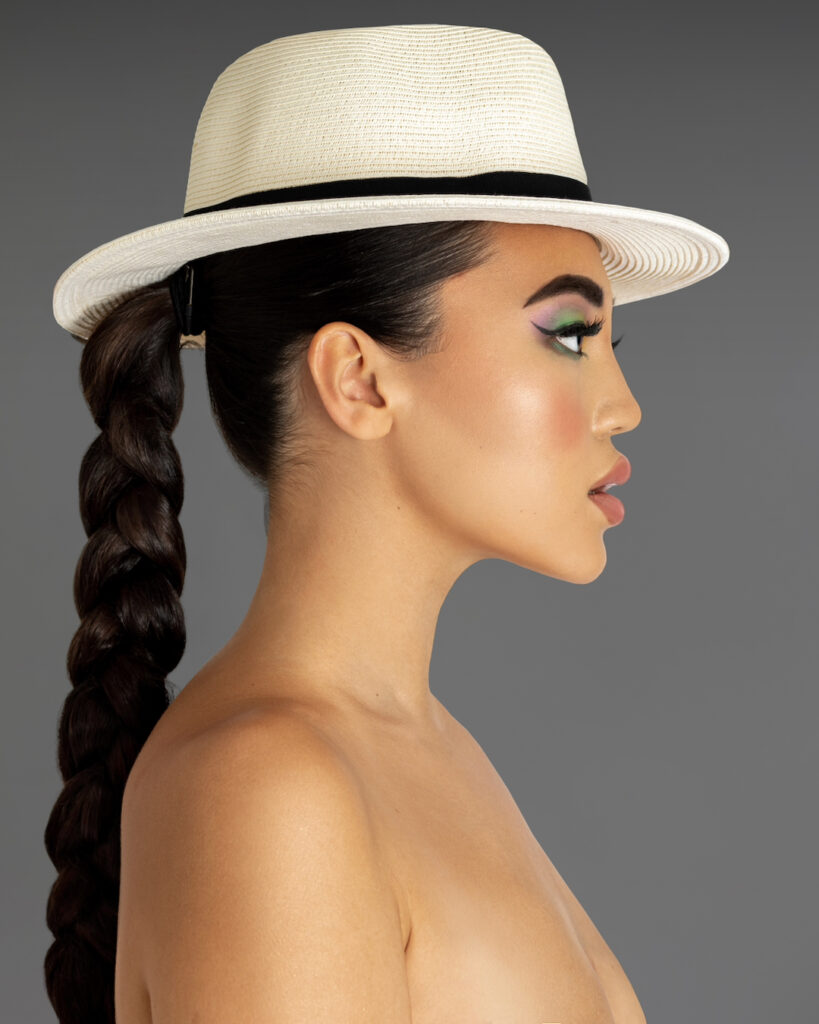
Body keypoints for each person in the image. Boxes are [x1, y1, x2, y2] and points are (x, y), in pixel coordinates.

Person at [45, 23, 729, 1024]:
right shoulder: (269, 789)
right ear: (359, 379)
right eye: (569, 334)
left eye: (610, 344)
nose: (621, 406)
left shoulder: (421, 752)